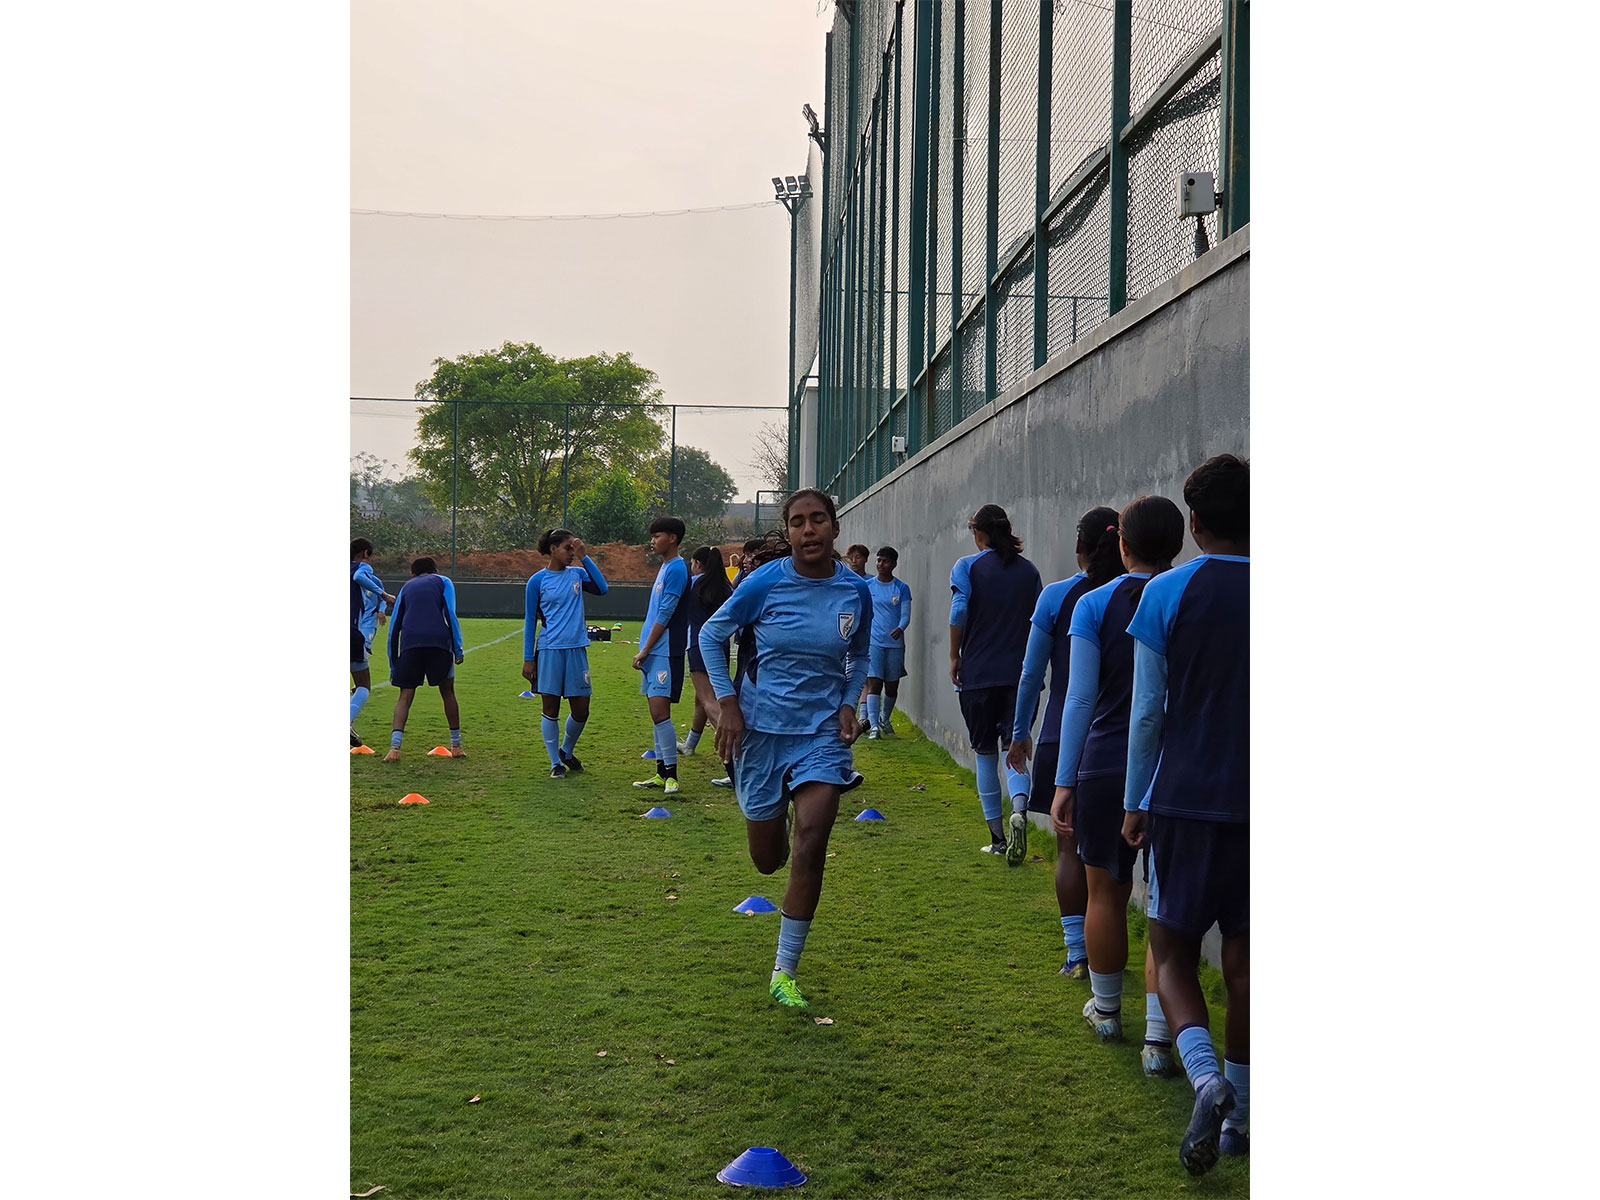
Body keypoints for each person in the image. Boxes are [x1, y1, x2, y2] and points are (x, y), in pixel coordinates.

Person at [1121, 454, 1250, 1175]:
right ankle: (1243, 1125)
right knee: (1249, 961)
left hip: (1186, 798)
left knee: (1171, 952)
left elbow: (1147, 713)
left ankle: (1206, 1081)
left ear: (1193, 522)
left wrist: (1137, 802)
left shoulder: (1167, 592)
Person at [699, 489, 871, 1010]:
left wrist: (847, 702)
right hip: (760, 734)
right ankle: (776, 808)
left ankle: (784, 971)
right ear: (789, 532)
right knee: (767, 861)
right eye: (798, 522)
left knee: (811, 842)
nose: (808, 530)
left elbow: (859, 654)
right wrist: (727, 703)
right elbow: (711, 635)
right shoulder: (763, 583)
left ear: (835, 528)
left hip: (822, 734)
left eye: (818, 520)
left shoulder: (854, 592)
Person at [1048, 497, 1185, 1066]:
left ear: (1121, 544)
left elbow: (1078, 696)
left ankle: (1107, 1011)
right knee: (1164, 902)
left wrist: (1063, 778)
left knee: (1106, 889)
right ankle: (1158, 1038)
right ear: (1181, 543)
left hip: (1104, 762)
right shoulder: (1187, 595)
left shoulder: (1094, 603)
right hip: (1175, 765)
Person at [1005, 508, 1123, 977]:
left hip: (1066, 738)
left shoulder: (1059, 596)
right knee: (1124, 854)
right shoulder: (1150, 594)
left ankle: (1078, 952)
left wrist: (1019, 733)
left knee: (1070, 849)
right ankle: (1111, 950)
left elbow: (1032, 673)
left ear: (1080, 546)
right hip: (1130, 741)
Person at [948, 504, 1041, 860]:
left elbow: (958, 610)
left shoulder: (967, 567)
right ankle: (1019, 809)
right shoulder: (1029, 572)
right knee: (1014, 750)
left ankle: (998, 839)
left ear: (980, 534)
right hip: (1019, 678)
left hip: (978, 676)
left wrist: (955, 655)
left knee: (984, 754)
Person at [522, 529, 608, 779]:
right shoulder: (537, 581)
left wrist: (585, 556)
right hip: (549, 650)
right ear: (552, 549)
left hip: (576, 650)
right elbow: (529, 621)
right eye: (567, 548)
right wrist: (529, 658)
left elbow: (602, 589)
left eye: (574, 548)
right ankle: (554, 763)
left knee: (582, 710)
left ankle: (566, 751)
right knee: (550, 707)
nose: (572, 552)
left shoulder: (578, 574)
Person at [384, 556, 465, 762]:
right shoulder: (443, 581)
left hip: (410, 643)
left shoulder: (406, 587)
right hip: (439, 642)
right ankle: (456, 746)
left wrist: (394, 662)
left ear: (413, 573)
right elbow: (451, 613)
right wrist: (458, 649)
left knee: (405, 696)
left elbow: (394, 627)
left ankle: (395, 748)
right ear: (435, 570)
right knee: (448, 692)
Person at [632, 517, 690, 794]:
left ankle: (672, 776)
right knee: (655, 714)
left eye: (657, 535)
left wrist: (645, 648)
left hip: (665, 651)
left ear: (673, 538)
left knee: (660, 712)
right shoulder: (665, 567)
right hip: (654, 652)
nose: (652, 541)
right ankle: (659, 773)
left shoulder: (677, 568)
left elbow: (666, 614)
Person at [678, 547, 737, 791]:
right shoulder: (726, 587)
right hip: (720, 647)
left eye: (693, 562)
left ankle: (735, 760)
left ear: (699, 564)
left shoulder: (693, 584)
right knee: (701, 699)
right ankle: (691, 743)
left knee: (710, 701)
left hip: (697, 646)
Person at [350, 538, 395, 747]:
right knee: (363, 685)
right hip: (352, 632)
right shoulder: (362, 568)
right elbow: (360, 576)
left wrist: (380, 607)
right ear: (366, 552)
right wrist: (384, 595)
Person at [864, 546, 912, 739]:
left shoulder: (901, 588)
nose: (880, 564)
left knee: (892, 686)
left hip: (894, 644)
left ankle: (885, 718)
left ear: (893, 564)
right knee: (874, 683)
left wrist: (900, 628)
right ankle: (873, 726)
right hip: (874, 642)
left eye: (884, 561)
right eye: (878, 560)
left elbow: (906, 614)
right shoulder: (868, 586)